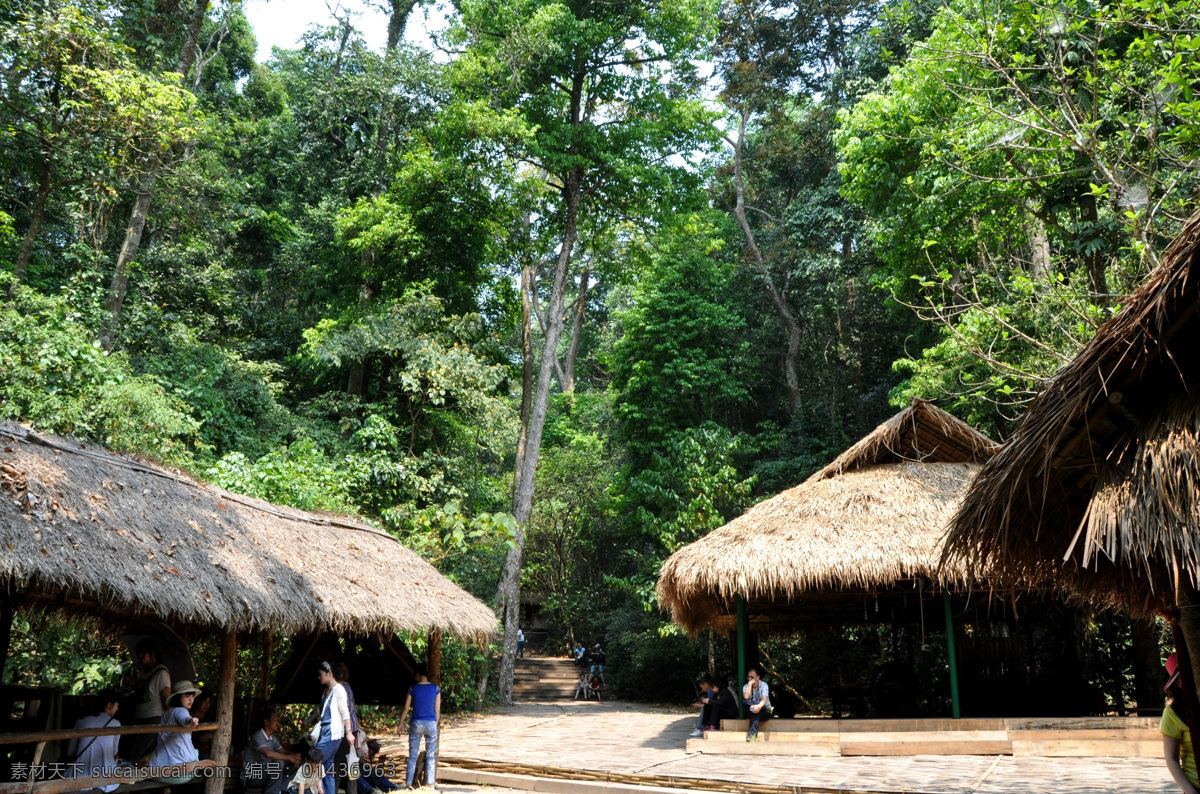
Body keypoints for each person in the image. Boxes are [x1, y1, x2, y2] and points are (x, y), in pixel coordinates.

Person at [308, 661, 354, 794]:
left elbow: (346, 712)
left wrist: (349, 732)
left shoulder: (339, 689)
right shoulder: (325, 691)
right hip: (325, 731)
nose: (319, 677)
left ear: (330, 673)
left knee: (313, 761)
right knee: (327, 768)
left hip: (333, 734)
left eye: (320, 674)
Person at [66, 690, 122, 792]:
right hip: (108, 779)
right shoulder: (116, 724)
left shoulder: (81, 721)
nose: (118, 708)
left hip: (79, 777)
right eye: (117, 704)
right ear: (109, 705)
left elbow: (70, 751)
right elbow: (114, 752)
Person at [126, 638, 171, 764]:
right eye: (138, 653)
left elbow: (165, 699)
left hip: (153, 718)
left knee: (139, 752)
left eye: (143, 653)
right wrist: (134, 684)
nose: (140, 656)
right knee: (138, 751)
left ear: (153, 653)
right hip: (139, 716)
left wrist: (168, 719)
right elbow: (146, 693)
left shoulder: (162, 673)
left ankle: (133, 778)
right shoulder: (143, 671)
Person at [396, 663, 441, 789]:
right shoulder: (436, 689)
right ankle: (431, 785)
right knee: (431, 756)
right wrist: (434, 723)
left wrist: (400, 723)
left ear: (418, 675)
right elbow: (437, 710)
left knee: (412, 755)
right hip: (431, 722)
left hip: (416, 723)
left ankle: (408, 784)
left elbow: (406, 708)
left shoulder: (412, 689)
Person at [149, 680, 201, 784]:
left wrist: (190, 721)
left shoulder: (166, 713)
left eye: (193, 696)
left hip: (164, 769)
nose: (191, 699)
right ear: (178, 696)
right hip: (180, 771)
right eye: (187, 695)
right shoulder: (180, 711)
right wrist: (191, 721)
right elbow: (185, 719)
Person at [1162, 653, 1199, 794]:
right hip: (1196, 786)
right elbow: (1171, 759)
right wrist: (1190, 791)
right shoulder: (1173, 713)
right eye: (1184, 674)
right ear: (1177, 682)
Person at [243, 708, 302, 794]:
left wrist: (295, 756)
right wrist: (289, 757)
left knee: (293, 763)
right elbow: (268, 754)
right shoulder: (258, 736)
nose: (277, 722)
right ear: (266, 722)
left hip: (264, 773)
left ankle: (282, 790)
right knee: (278, 763)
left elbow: (283, 752)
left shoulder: (272, 738)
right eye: (275, 719)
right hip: (253, 776)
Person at [742, 666, 772, 741]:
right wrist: (749, 684)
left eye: (752, 677)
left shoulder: (764, 685)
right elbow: (746, 697)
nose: (750, 679)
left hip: (764, 711)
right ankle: (752, 736)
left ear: (758, 677)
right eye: (748, 677)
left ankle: (752, 735)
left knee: (756, 710)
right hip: (752, 710)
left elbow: (764, 700)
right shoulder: (746, 686)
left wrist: (758, 706)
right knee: (744, 701)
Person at [189, 692, 213, 760]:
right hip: (188, 748)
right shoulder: (187, 715)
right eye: (204, 701)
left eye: (209, 702)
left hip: (204, 750)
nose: (207, 705)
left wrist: (211, 735)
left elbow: (218, 734)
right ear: (198, 701)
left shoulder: (210, 717)